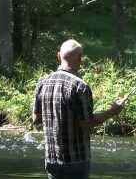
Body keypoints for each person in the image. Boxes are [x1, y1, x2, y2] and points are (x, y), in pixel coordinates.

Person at [32, 39, 124, 179]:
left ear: (58, 56)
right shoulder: (80, 86)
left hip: (51, 160)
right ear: (80, 59)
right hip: (76, 161)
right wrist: (113, 111)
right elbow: (87, 123)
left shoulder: (42, 82)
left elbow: (36, 120)